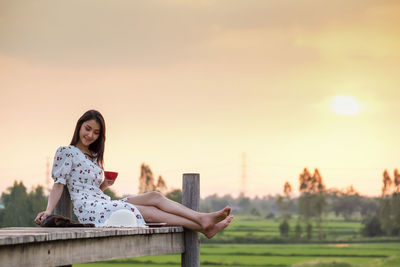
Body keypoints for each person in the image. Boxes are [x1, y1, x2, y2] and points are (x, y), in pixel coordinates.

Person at [35, 110, 233, 238]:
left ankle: (202, 220)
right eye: (88, 129)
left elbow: (93, 189)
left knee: (155, 196)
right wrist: (49, 211)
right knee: (152, 213)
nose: (90, 135)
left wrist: (105, 185)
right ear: (79, 126)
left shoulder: (94, 156)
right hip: (90, 208)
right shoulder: (66, 152)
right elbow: (59, 184)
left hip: (102, 200)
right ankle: (202, 224)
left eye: (96, 132)